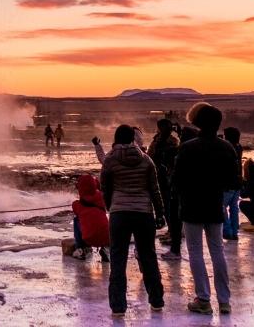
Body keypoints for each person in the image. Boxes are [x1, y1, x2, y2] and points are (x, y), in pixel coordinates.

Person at [174, 103, 237, 315]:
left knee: (195, 251)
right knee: (218, 251)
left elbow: (177, 180)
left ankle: (203, 299)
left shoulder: (187, 148)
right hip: (214, 204)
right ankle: (224, 300)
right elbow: (233, 181)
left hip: (192, 205)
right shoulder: (227, 147)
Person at [101, 124, 166, 316]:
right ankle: (156, 300)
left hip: (119, 213)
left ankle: (118, 307)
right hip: (143, 213)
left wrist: (110, 206)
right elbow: (155, 190)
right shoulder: (146, 160)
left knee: (118, 259)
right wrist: (160, 213)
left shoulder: (110, 160)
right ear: (133, 139)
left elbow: (105, 187)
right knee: (148, 257)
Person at [148, 119, 183, 260]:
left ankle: (173, 232)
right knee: (167, 205)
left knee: (169, 207)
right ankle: (172, 231)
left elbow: (156, 156)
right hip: (162, 176)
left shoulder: (169, 141)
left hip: (165, 177)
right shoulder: (165, 140)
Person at [71, 174, 110, 262]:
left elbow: (74, 206)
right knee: (101, 220)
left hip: (89, 238)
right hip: (106, 238)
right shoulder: (101, 198)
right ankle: (106, 249)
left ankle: (81, 249)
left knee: (77, 219)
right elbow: (99, 190)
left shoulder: (77, 205)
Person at [221, 127, 244, 241]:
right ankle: (234, 231)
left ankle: (227, 230)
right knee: (234, 208)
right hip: (237, 182)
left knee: (222, 207)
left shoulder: (226, 148)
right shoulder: (239, 147)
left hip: (228, 183)